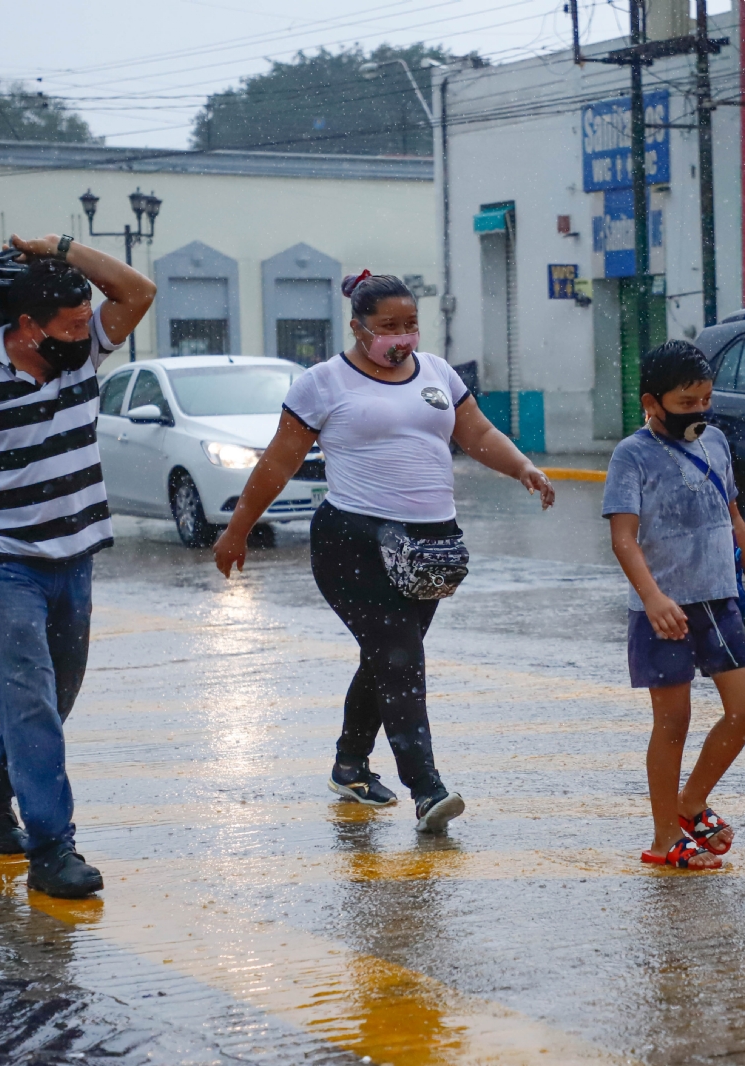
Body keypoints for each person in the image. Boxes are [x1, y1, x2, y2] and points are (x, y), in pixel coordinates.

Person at [213, 272, 555, 834]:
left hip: (430, 547)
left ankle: (349, 765)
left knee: (389, 655)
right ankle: (426, 790)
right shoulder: (322, 384)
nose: (402, 338)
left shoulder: (438, 373)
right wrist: (238, 528)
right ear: (357, 326)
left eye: (411, 325)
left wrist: (522, 467)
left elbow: (476, 433)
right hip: (354, 542)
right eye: (387, 327)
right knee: (400, 658)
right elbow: (279, 462)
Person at [0, 234, 157, 898]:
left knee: (54, 701)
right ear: (26, 326)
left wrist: (65, 248)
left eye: (85, 323)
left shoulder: (82, 355)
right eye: (71, 324)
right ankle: (53, 851)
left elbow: (138, 292)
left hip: (74, 560)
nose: (86, 333)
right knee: (31, 707)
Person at [603, 340, 745, 871]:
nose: (699, 412)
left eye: (705, 400)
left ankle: (691, 801)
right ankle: (664, 840)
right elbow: (623, 539)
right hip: (663, 610)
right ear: (651, 403)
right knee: (673, 721)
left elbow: (734, 519)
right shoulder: (630, 455)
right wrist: (653, 597)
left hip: (720, 601)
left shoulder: (717, 444)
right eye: (686, 403)